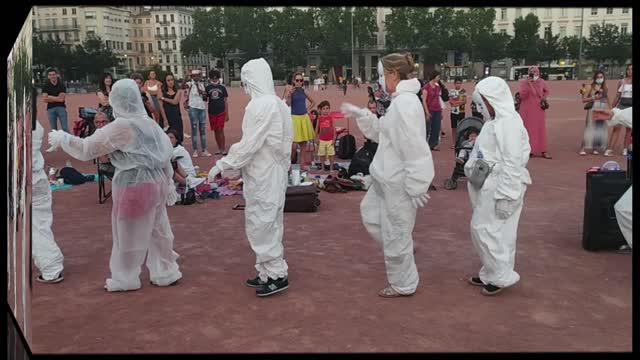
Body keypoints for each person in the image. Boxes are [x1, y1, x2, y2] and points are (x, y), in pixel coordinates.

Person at [47, 79, 182, 292]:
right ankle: (166, 271)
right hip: (157, 183)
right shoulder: (149, 123)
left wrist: (63, 138)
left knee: (127, 234)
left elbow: (87, 148)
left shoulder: (122, 126)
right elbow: (166, 155)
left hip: (134, 185)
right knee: (159, 231)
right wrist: (170, 184)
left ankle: (125, 277)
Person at [340, 52, 434, 298]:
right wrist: (364, 116)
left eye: (382, 75)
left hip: (398, 183)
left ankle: (404, 283)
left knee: (396, 232)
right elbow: (385, 133)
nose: (380, 81)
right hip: (385, 179)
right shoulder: (400, 102)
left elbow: (415, 147)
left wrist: (417, 184)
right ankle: (403, 251)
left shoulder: (405, 104)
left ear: (393, 75)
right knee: (372, 216)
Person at [208, 58, 293, 297]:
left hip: (264, 174)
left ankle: (276, 274)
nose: (245, 86)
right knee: (267, 221)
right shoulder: (277, 103)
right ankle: (266, 271)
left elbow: (249, 144)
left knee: (263, 223)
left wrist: (223, 165)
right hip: (270, 173)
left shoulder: (261, 105)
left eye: (246, 80)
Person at [464, 76, 532, 296]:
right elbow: (480, 152)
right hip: (487, 183)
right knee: (493, 231)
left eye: (483, 101)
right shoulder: (492, 124)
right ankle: (491, 272)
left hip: (502, 185)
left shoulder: (509, 123)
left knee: (488, 230)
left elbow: (513, 162)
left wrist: (506, 195)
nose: (481, 106)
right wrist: (471, 166)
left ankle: (501, 275)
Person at [32, 107, 64, 283]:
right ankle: (49, 263)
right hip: (37, 178)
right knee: (39, 224)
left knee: (36, 226)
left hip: (21, 179)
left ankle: (51, 267)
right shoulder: (35, 125)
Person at [283, 72, 316, 167]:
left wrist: (308, 109)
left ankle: (302, 166)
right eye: (297, 80)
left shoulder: (304, 91)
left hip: (304, 118)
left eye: (301, 80)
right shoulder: (291, 91)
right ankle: (288, 165)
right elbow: (288, 104)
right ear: (293, 81)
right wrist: (289, 94)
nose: (299, 82)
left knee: (303, 145)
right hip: (294, 119)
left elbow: (313, 102)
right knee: (293, 146)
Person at [519, 65, 551, 159]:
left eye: (535, 71)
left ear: (538, 72)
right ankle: (529, 150)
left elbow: (546, 91)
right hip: (527, 109)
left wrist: (543, 98)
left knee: (540, 129)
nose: (533, 73)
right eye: (531, 71)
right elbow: (522, 95)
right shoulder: (524, 82)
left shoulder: (541, 81)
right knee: (528, 129)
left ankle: (543, 150)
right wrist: (529, 83)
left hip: (538, 109)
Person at [580, 71, 611, 156]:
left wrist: (610, 108)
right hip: (593, 108)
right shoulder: (590, 86)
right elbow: (583, 99)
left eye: (601, 77)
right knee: (589, 127)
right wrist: (594, 97)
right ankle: (583, 148)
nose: (599, 79)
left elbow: (606, 98)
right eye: (598, 77)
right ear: (595, 78)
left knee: (600, 127)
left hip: (602, 108)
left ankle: (595, 147)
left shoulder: (605, 87)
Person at [605, 64, 632, 157]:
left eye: (631, 69)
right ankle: (610, 149)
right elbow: (617, 95)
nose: (630, 71)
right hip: (621, 105)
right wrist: (612, 107)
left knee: (629, 130)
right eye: (628, 69)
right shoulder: (622, 81)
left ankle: (625, 148)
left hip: (631, 108)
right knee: (616, 128)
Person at [185, 69, 211, 158]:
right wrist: (187, 76)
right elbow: (183, 87)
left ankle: (204, 149)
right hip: (193, 107)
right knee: (194, 128)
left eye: (197, 75)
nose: (196, 77)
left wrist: (202, 91)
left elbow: (204, 95)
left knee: (203, 129)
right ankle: (195, 150)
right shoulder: (189, 84)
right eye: (194, 76)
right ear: (192, 77)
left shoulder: (201, 84)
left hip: (201, 107)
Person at [205, 70, 230, 155]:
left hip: (221, 111)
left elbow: (225, 101)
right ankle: (219, 148)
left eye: (216, 78)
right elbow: (205, 99)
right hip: (211, 111)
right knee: (215, 130)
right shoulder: (207, 88)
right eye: (213, 78)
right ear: (211, 78)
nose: (215, 79)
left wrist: (227, 113)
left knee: (220, 129)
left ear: (218, 78)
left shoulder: (222, 88)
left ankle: (223, 148)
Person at [158, 73, 185, 142]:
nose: (170, 82)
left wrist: (163, 98)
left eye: (172, 80)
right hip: (166, 117)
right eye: (168, 80)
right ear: (165, 82)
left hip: (176, 117)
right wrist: (165, 119)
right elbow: (161, 107)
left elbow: (175, 102)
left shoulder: (178, 91)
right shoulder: (161, 91)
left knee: (177, 138)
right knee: (165, 139)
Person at [422, 71, 443, 151]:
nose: (439, 78)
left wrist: (441, 110)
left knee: (436, 127)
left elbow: (438, 99)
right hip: (429, 109)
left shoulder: (438, 87)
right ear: (434, 77)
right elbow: (424, 100)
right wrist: (427, 112)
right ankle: (424, 143)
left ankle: (433, 144)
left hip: (437, 109)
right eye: (438, 77)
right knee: (427, 128)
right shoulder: (426, 87)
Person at [42, 67, 69, 132]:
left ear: (57, 75)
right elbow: (45, 100)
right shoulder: (45, 86)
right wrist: (56, 98)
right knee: (53, 129)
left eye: (53, 74)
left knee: (65, 128)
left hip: (61, 108)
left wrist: (50, 97)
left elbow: (61, 99)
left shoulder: (62, 85)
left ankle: (67, 141)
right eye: (50, 75)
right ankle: (55, 142)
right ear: (48, 77)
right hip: (50, 109)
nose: (52, 76)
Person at [315, 101, 336, 176]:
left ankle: (331, 168)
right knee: (322, 154)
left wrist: (334, 139)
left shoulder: (331, 118)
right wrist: (316, 138)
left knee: (331, 154)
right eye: (324, 109)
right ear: (320, 110)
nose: (326, 111)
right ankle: (323, 168)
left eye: (327, 108)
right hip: (322, 140)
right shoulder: (319, 119)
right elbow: (317, 129)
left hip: (330, 140)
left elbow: (334, 129)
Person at [449, 77, 467, 148]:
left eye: (459, 83)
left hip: (461, 111)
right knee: (454, 128)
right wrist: (457, 103)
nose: (458, 85)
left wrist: (457, 103)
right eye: (457, 83)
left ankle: (460, 141)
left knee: (461, 127)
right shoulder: (451, 91)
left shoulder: (463, 91)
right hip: (453, 112)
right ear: (454, 84)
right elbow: (450, 101)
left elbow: (464, 101)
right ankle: (454, 142)